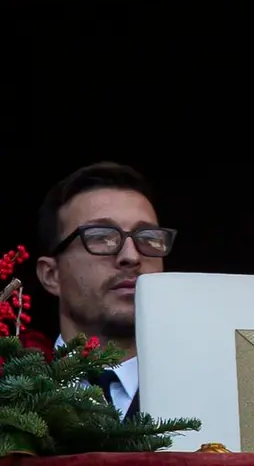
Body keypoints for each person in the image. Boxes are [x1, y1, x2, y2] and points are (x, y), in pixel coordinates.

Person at [34, 162, 177, 420]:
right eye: (101, 236)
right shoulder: (13, 392)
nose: (131, 256)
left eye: (148, 238)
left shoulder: (215, 388)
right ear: (51, 275)